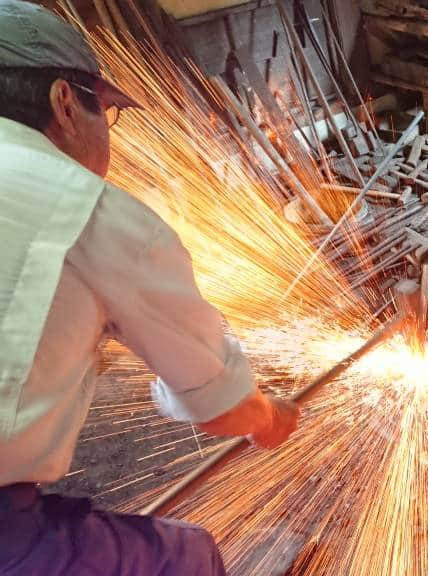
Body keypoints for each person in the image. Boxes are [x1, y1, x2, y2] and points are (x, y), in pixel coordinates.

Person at [0, 2, 299, 574]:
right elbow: (220, 407)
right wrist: (265, 418)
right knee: (184, 556)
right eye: (105, 113)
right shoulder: (89, 209)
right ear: (65, 102)